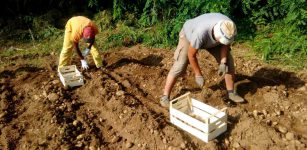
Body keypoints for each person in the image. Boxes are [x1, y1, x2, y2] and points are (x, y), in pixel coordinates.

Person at [160, 13, 244, 107]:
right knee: (180, 65)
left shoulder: (229, 27)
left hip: (211, 40)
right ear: (217, 36)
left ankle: (231, 92)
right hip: (189, 36)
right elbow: (191, 55)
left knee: (229, 62)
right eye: (221, 40)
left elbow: (225, 45)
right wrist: (198, 74)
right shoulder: (200, 33)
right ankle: (165, 96)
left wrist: (223, 62)